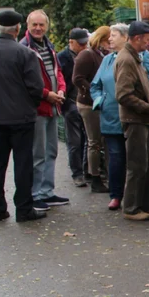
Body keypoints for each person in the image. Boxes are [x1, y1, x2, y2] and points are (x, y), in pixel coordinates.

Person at [0, 10, 47, 223]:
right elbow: (36, 87)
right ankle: (24, 209)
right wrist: (30, 107)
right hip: (22, 120)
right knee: (23, 165)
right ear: (18, 29)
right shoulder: (25, 54)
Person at [21, 10, 68, 211]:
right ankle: (36, 194)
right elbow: (26, 82)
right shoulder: (24, 49)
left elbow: (57, 73)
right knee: (37, 154)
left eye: (41, 25)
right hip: (38, 108)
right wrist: (46, 94)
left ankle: (47, 192)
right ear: (28, 25)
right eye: (35, 25)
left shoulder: (49, 47)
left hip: (53, 106)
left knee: (51, 151)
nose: (38, 28)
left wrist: (62, 90)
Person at [115, 20, 149, 221]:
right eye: (147, 39)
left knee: (147, 163)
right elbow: (123, 94)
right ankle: (131, 208)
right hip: (135, 120)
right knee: (137, 164)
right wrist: (147, 108)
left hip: (142, 119)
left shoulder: (136, 57)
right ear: (136, 38)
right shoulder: (127, 59)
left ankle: (144, 204)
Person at [91, 25, 129, 211]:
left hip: (133, 117)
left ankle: (135, 197)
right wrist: (101, 101)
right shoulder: (106, 60)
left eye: (114, 36)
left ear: (125, 37)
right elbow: (95, 85)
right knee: (115, 158)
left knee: (136, 159)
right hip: (111, 117)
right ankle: (116, 195)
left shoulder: (142, 57)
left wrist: (145, 105)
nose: (110, 39)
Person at [74, 26, 110, 194]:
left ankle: (97, 173)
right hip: (89, 105)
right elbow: (77, 78)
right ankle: (94, 176)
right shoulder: (87, 55)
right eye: (107, 40)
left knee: (99, 141)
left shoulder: (102, 55)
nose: (110, 43)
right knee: (94, 141)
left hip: (99, 103)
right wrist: (94, 92)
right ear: (101, 40)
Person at [58, 27, 89, 187]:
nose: (84, 46)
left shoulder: (86, 55)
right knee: (75, 141)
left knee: (87, 140)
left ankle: (85, 170)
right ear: (71, 42)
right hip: (70, 103)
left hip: (85, 103)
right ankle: (77, 173)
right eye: (81, 44)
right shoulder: (62, 58)